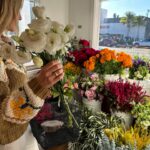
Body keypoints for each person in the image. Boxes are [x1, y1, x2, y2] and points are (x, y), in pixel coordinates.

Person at [0, 0, 64, 150]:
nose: (20, 18)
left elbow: (13, 91)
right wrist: (37, 87)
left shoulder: (7, 45)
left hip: (24, 138)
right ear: (3, 10)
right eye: (17, 10)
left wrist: (42, 84)